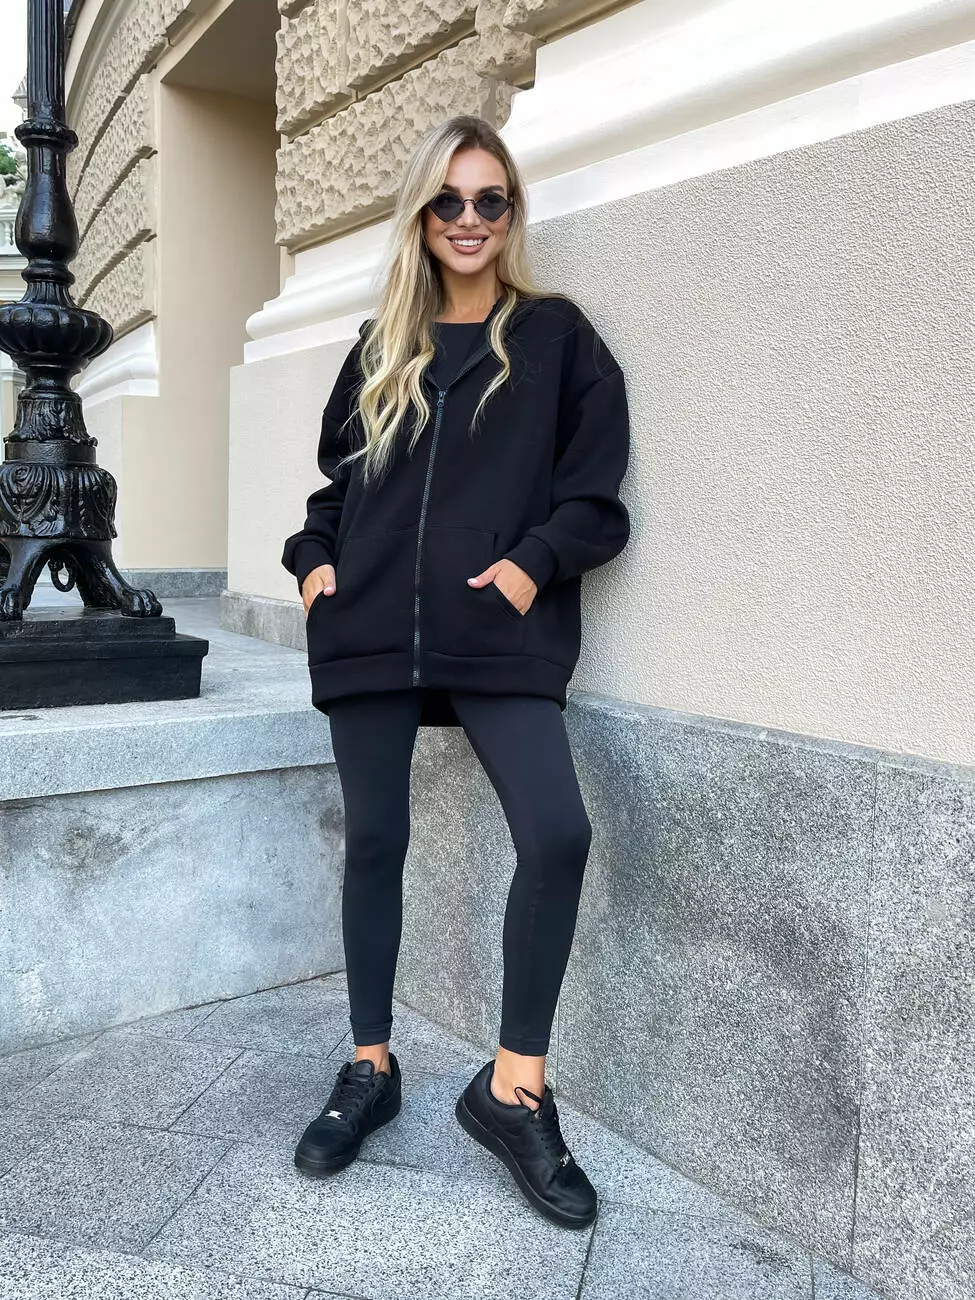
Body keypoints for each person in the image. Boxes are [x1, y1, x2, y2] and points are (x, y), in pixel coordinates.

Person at [280, 113, 631, 1230]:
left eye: (490, 200)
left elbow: (595, 500)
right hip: (369, 627)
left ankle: (512, 1089)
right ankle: (369, 1066)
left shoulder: (557, 339)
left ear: (511, 212)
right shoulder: (380, 347)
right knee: (375, 840)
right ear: (421, 216)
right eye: (448, 200)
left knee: (558, 833)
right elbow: (332, 493)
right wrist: (314, 565)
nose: (469, 219)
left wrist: (531, 566)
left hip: (497, 629)